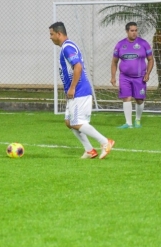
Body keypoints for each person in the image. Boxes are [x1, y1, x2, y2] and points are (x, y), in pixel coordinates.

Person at [49, 21, 115, 159]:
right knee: (69, 122)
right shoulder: (67, 46)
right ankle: (89, 150)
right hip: (74, 92)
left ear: (59, 34)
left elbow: (77, 67)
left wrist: (72, 88)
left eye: (52, 34)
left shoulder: (67, 48)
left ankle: (105, 142)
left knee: (78, 123)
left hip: (79, 91)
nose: (50, 37)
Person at [111, 22, 154, 129]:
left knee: (139, 100)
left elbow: (150, 59)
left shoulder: (144, 44)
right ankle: (128, 123)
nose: (134, 33)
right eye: (132, 31)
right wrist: (113, 76)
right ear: (127, 31)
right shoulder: (120, 45)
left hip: (140, 77)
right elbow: (114, 62)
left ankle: (137, 120)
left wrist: (148, 73)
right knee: (126, 98)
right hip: (124, 77)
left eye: (136, 30)